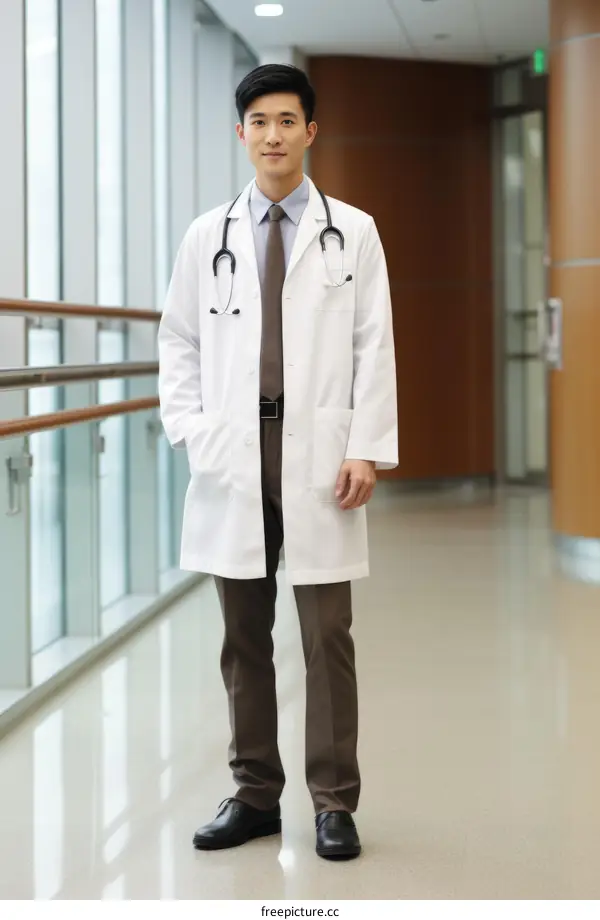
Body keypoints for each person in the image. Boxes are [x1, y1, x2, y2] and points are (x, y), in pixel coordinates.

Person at [158, 63, 397, 861]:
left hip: (321, 459)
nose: (272, 135)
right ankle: (256, 793)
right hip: (235, 456)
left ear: (310, 131)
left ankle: (333, 801)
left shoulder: (353, 230)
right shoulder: (207, 235)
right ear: (241, 133)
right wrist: (194, 429)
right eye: (259, 121)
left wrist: (366, 443)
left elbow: (374, 345)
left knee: (327, 637)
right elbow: (179, 341)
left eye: (287, 121)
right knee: (243, 637)